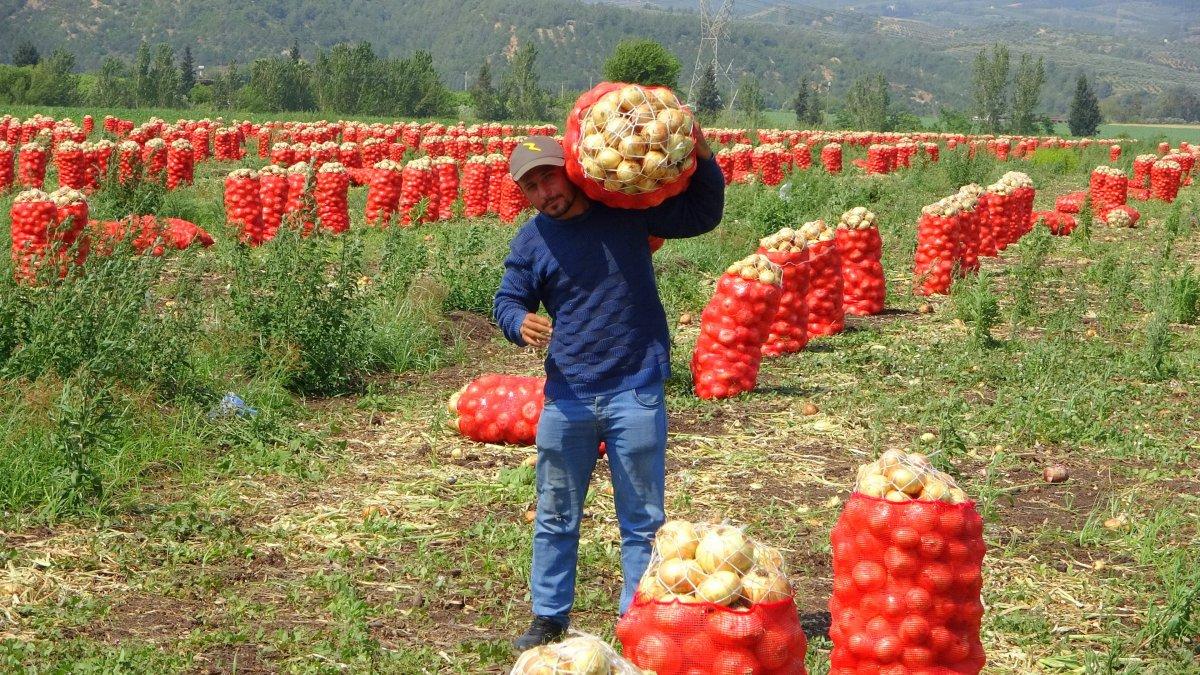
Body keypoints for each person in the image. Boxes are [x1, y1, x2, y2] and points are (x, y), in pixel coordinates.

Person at [494, 131, 724, 650]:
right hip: (568, 393)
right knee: (555, 513)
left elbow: (700, 215)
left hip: (634, 387)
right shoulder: (533, 241)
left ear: (570, 169)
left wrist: (704, 156)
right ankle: (548, 617)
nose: (544, 191)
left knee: (642, 520)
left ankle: (635, 616)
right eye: (531, 186)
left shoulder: (623, 211)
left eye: (548, 176)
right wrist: (517, 320)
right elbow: (508, 297)